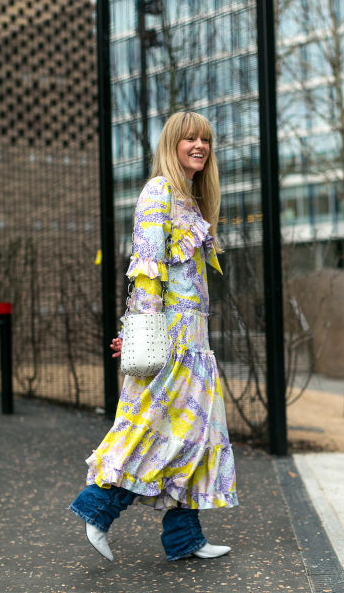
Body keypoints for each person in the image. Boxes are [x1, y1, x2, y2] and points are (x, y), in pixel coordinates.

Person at [70, 111, 238, 562]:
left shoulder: (193, 201)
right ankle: (98, 509)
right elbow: (146, 268)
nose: (199, 145)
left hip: (195, 338)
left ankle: (184, 539)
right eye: (189, 139)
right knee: (151, 428)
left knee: (197, 435)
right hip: (173, 338)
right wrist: (143, 331)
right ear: (172, 145)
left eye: (205, 139)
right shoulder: (158, 192)